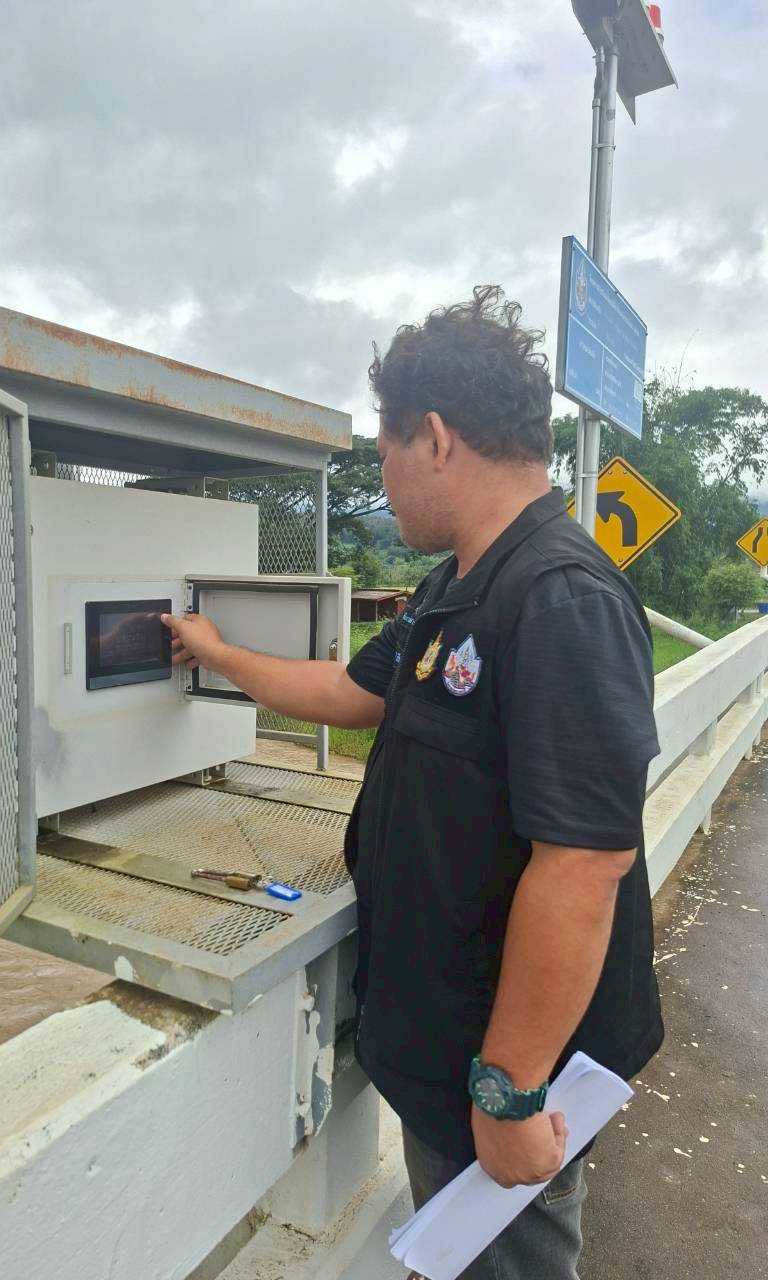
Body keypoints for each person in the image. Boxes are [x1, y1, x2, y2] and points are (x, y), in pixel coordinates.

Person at [162, 285, 663, 1279]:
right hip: (447, 1057)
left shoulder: (557, 597)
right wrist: (216, 654)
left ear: (433, 437)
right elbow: (349, 692)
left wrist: (511, 1090)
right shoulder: (455, 587)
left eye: (385, 451)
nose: (384, 484)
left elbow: (584, 865)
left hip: (499, 1074)